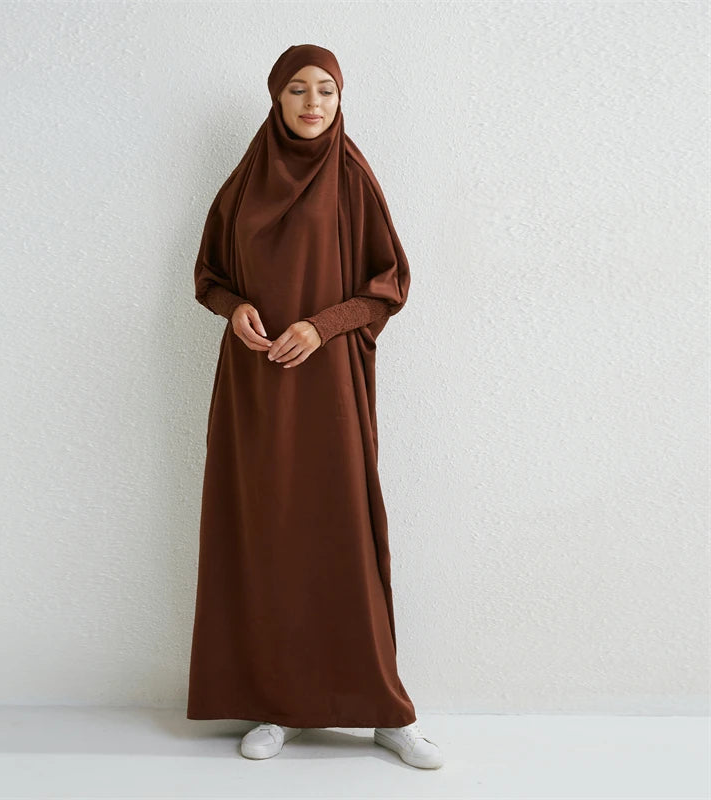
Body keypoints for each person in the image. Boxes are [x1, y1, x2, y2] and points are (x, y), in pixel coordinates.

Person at [187, 43, 443, 770]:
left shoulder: (351, 176)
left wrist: (321, 327)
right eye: (297, 89)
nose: (312, 102)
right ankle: (280, 706)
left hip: (330, 384)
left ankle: (386, 711)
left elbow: (389, 284)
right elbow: (207, 275)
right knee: (267, 533)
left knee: (344, 533)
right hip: (256, 385)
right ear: (276, 98)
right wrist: (233, 308)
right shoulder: (244, 183)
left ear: (340, 98)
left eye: (325, 89)